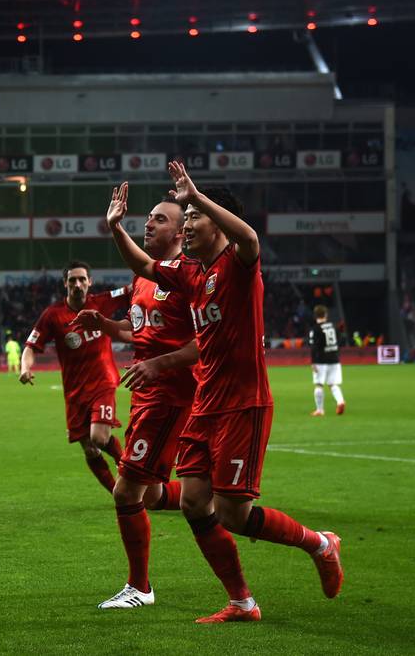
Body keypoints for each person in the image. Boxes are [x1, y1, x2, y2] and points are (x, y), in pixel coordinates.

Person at [106, 163, 342, 623]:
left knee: (234, 513)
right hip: (206, 403)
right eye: (186, 216)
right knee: (194, 502)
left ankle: (320, 543)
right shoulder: (192, 274)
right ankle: (242, 602)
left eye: (193, 217)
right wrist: (115, 227)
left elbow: (250, 238)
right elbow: (143, 264)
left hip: (244, 402)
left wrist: (196, 195)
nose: (187, 225)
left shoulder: (238, 263)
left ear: (218, 221)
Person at [74, 190, 203, 610]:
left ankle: (140, 588)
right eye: (147, 218)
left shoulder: (187, 274)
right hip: (146, 392)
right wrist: (104, 324)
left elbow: (207, 340)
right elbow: (137, 332)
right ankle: (210, 495)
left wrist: (161, 365)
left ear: (181, 231)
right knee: (147, 495)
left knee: (126, 492)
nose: (148, 223)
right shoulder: (143, 278)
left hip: (170, 394)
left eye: (159, 219)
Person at [19, 261, 125, 493]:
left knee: (98, 437)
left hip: (103, 382)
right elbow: (30, 346)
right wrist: (24, 368)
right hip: (75, 392)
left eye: (82, 279)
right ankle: (117, 492)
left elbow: (134, 288)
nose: (78, 284)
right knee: (89, 448)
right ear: (65, 284)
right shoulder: (52, 315)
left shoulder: (102, 302)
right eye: (72, 280)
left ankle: (127, 468)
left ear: (90, 282)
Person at [309, 304, 345, 416]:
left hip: (321, 360)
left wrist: (313, 362)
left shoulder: (315, 329)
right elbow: (339, 340)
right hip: (334, 359)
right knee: (333, 384)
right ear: (326, 315)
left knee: (319, 384)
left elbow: (313, 347)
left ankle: (320, 410)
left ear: (315, 316)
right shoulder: (334, 326)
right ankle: (340, 401)